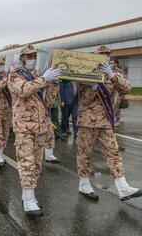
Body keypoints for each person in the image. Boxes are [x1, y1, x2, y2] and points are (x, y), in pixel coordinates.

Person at [76, 46, 142, 201]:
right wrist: (93, 87)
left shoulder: (114, 73)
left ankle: (123, 187)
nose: (105, 57)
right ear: (95, 56)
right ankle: (84, 184)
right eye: (101, 55)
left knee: (113, 152)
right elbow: (84, 101)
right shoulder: (86, 72)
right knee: (85, 153)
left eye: (107, 55)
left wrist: (112, 76)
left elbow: (127, 89)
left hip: (106, 121)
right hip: (88, 121)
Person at [7, 44, 61, 217]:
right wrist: (45, 79)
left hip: (40, 127)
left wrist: (53, 84)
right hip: (24, 128)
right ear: (22, 58)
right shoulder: (15, 75)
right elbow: (23, 90)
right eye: (29, 56)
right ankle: (29, 201)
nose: (32, 59)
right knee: (27, 163)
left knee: (37, 165)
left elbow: (49, 102)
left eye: (34, 56)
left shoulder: (38, 76)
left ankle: (27, 195)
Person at [110, 59, 127, 127]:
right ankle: (110, 119)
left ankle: (117, 120)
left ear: (116, 64)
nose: (111, 64)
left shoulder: (120, 72)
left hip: (118, 92)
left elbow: (124, 83)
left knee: (117, 107)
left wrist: (123, 94)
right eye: (110, 63)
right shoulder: (109, 71)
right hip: (110, 91)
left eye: (112, 63)